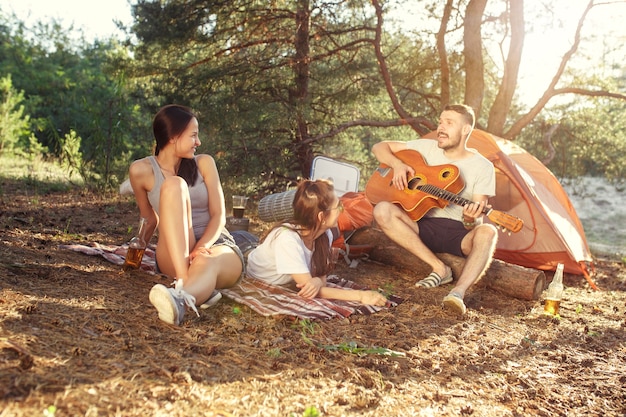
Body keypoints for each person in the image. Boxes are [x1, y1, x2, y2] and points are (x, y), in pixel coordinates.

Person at [371, 104, 497, 315]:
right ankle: (440, 268)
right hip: (420, 225)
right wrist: (397, 165)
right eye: (440, 122)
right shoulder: (424, 148)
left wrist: (469, 218)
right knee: (382, 210)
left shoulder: (483, 167)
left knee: (488, 232)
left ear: (465, 129)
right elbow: (379, 147)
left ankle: (457, 293)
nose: (441, 128)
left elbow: (476, 221)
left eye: (449, 123)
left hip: (459, 234)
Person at [127, 104, 244, 325]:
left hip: (215, 241)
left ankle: (179, 299)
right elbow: (149, 219)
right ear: (172, 136)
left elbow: (219, 215)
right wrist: (135, 253)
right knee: (173, 185)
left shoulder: (205, 163)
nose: (198, 142)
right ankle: (185, 283)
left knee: (207, 262)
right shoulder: (140, 170)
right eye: (193, 135)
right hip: (174, 251)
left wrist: (202, 247)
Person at [246, 179, 388, 306]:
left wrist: (318, 281)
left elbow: (320, 277)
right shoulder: (288, 240)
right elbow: (310, 290)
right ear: (321, 217)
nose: (342, 211)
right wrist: (360, 296)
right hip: (252, 264)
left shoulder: (325, 234)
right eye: (338, 207)